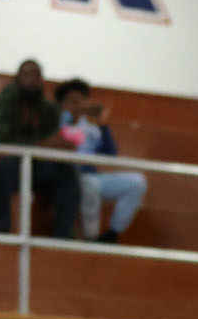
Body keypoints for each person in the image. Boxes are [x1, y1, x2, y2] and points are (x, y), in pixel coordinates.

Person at [0, 60, 79, 238]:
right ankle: (0, 227)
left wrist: (57, 143)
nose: (32, 81)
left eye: (37, 76)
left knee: (66, 171)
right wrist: (42, 145)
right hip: (12, 164)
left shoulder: (48, 108)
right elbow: (5, 141)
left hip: (38, 165)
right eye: (27, 75)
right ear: (17, 78)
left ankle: (63, 234)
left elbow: (57, 139)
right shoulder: (3, 103)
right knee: (4, 166)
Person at [55, 80, 147, 244]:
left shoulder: (91, 127)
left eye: (80, 101)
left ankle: (113, 233)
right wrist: (68, 119)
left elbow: (110, 155)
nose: (77, 105)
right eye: (71, 101)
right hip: (65, 177)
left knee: (136, 182)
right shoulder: (56, 122)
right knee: (91, 185)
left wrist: (102, 123)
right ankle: (91, 238)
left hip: (90, 175)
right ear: (61, 103)